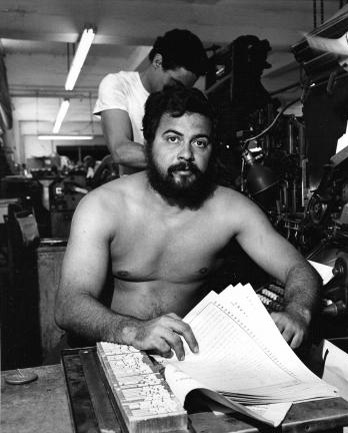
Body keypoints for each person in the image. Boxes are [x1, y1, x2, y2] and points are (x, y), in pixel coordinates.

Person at [55, 86, 321, 362]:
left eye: (200, 142)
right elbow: (69, 305)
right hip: (107, 348)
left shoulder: (231, 209)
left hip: (182, 358)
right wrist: (134, 331)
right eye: (173, 139)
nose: (186, 154)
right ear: (148, 144)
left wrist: (298, 312)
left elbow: (299, 269)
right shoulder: (103, 207)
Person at [93, 28, 208, 175]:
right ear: (157, 62)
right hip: (136, 186)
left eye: (184, 89)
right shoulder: (118, 85)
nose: (177, 93)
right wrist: (184, 159)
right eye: (174, 84)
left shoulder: (180, 99)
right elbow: (121, 151)